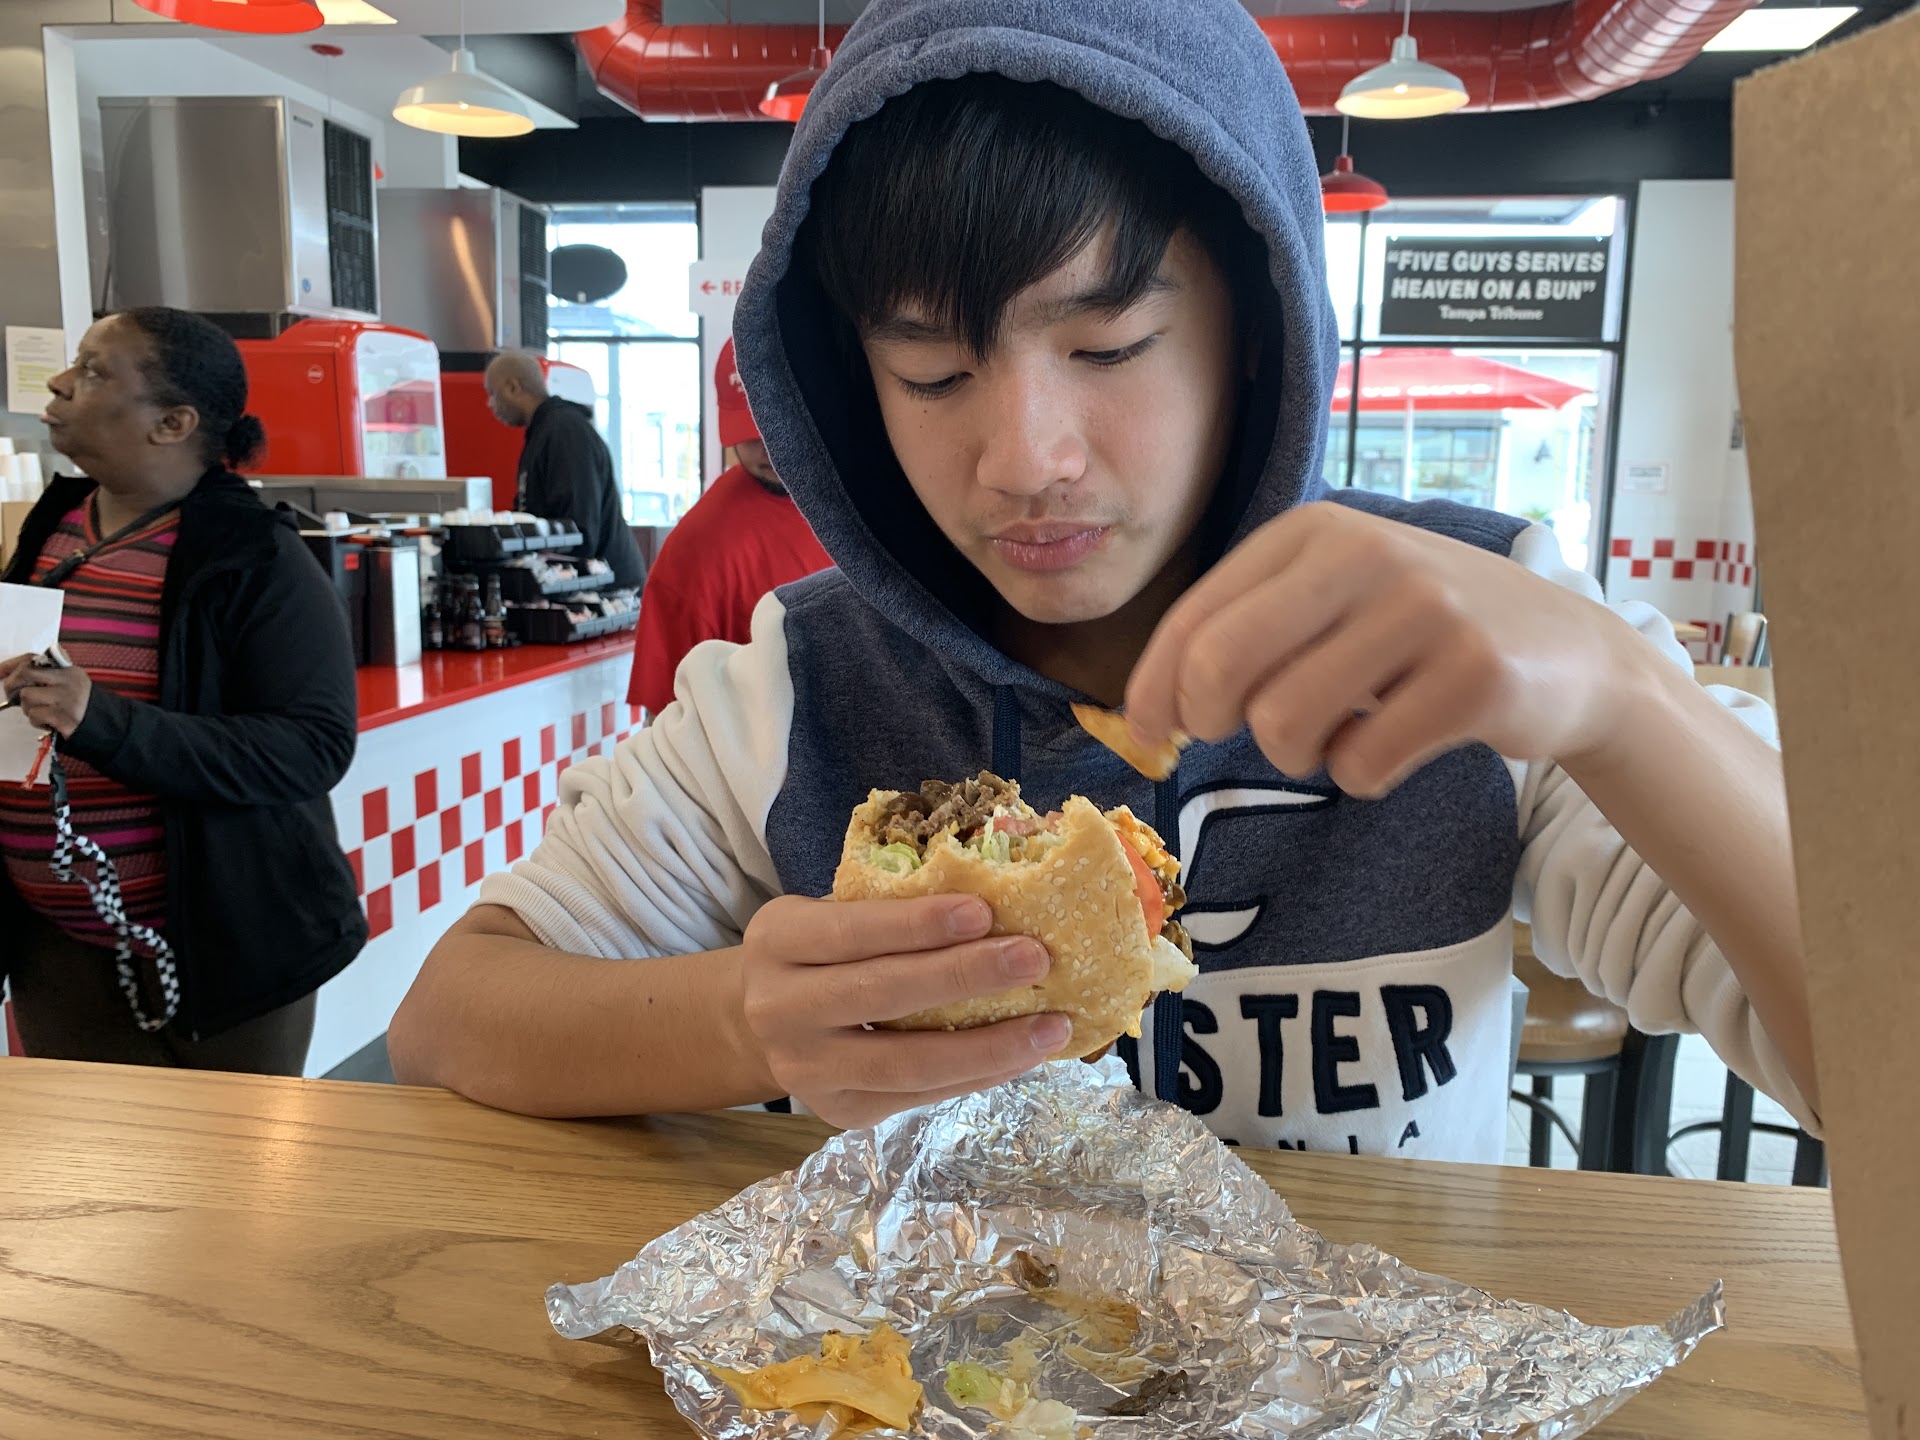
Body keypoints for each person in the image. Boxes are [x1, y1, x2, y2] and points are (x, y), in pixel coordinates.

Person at [390, 0, 1817, 1160]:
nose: (1027, 461)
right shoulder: (795, 688)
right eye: (931, 372)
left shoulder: (1481, 629)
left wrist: (1625, 700)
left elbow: (1866, 1064)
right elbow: (451, 1017)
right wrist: (738, 1023)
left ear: (1254, 329)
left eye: (1111, 346)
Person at [0, 307, 365, 1073]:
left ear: (173, 423)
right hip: (56, 949)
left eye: (94, 371)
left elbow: (311, 747)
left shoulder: (257, 556)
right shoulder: (50, 528)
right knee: (91, 1154)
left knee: (227, 1152)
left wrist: (104, 721)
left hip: (224, 949)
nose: (59, 383)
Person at [626, 338, 833, 714]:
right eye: (751, 432)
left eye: (781, 424)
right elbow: (666, 721)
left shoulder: (871, 505)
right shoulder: (697, 550)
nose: (768, 447)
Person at [484, 351, 647, 590]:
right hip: (586, 582)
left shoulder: (565, 432)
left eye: (492, 394)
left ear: (512, 387)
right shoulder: (543, 432)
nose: (490, 404)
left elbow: (579, 529)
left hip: (609, 588)